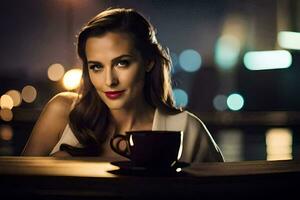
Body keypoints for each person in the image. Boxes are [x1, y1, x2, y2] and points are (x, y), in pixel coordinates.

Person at [22, 7, 224, 163]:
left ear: (148, 62)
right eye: (96, 67)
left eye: (122, 63)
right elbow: (14, 186)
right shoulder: (62, 112)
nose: (110, 81)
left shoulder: (186, 128)